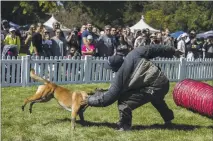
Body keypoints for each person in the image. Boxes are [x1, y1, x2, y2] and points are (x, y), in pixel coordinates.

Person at [81, 45, 177, 131]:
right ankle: (169, 120)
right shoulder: (135, 53)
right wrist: (172, 50)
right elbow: (156, 49)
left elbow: (108, 99)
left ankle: (125, 126)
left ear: (115, 68)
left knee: (124, 101)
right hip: (163, 82)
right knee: (156, 99)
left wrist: (88, 100)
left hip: (154, 87)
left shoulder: (120, 75)